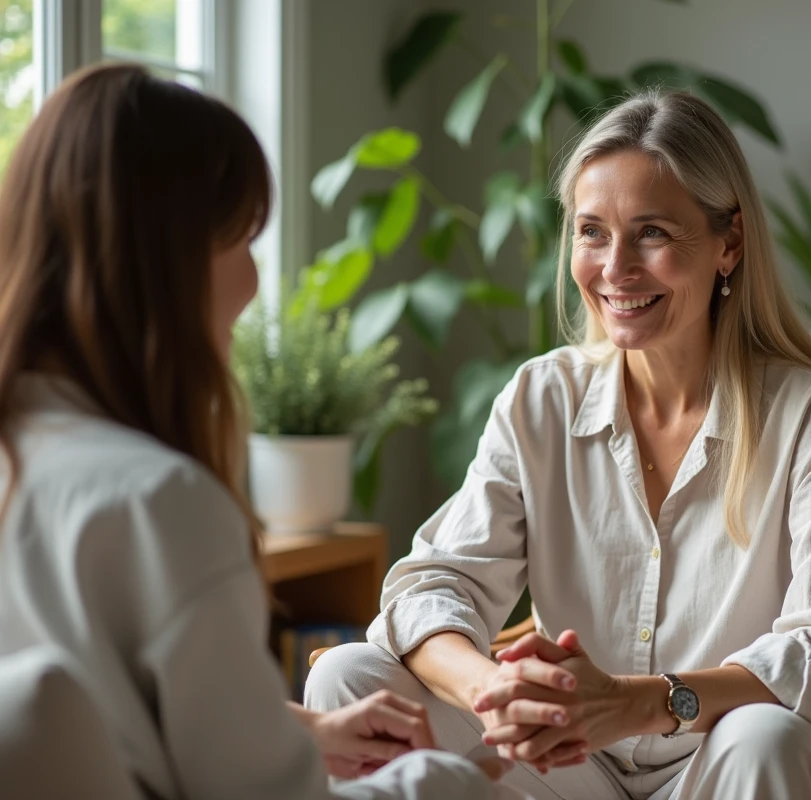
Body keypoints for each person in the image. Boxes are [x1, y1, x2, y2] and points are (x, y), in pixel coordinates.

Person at [307, 90, 811, 800]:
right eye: (591, 232)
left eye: (651, 233)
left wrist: (638, 701)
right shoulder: (540, 398)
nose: (615, 268)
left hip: (725, 762)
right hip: (573, 766)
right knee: (345, 677)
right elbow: (431, 585)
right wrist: (497, 691)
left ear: (729, 242)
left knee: (764, 736)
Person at [0, 63, 517, 799]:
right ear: (168, 259)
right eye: (242, 238)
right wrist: (448, 782)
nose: (251, 278)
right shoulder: (161, 504)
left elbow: (105, 708)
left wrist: (302, 734)